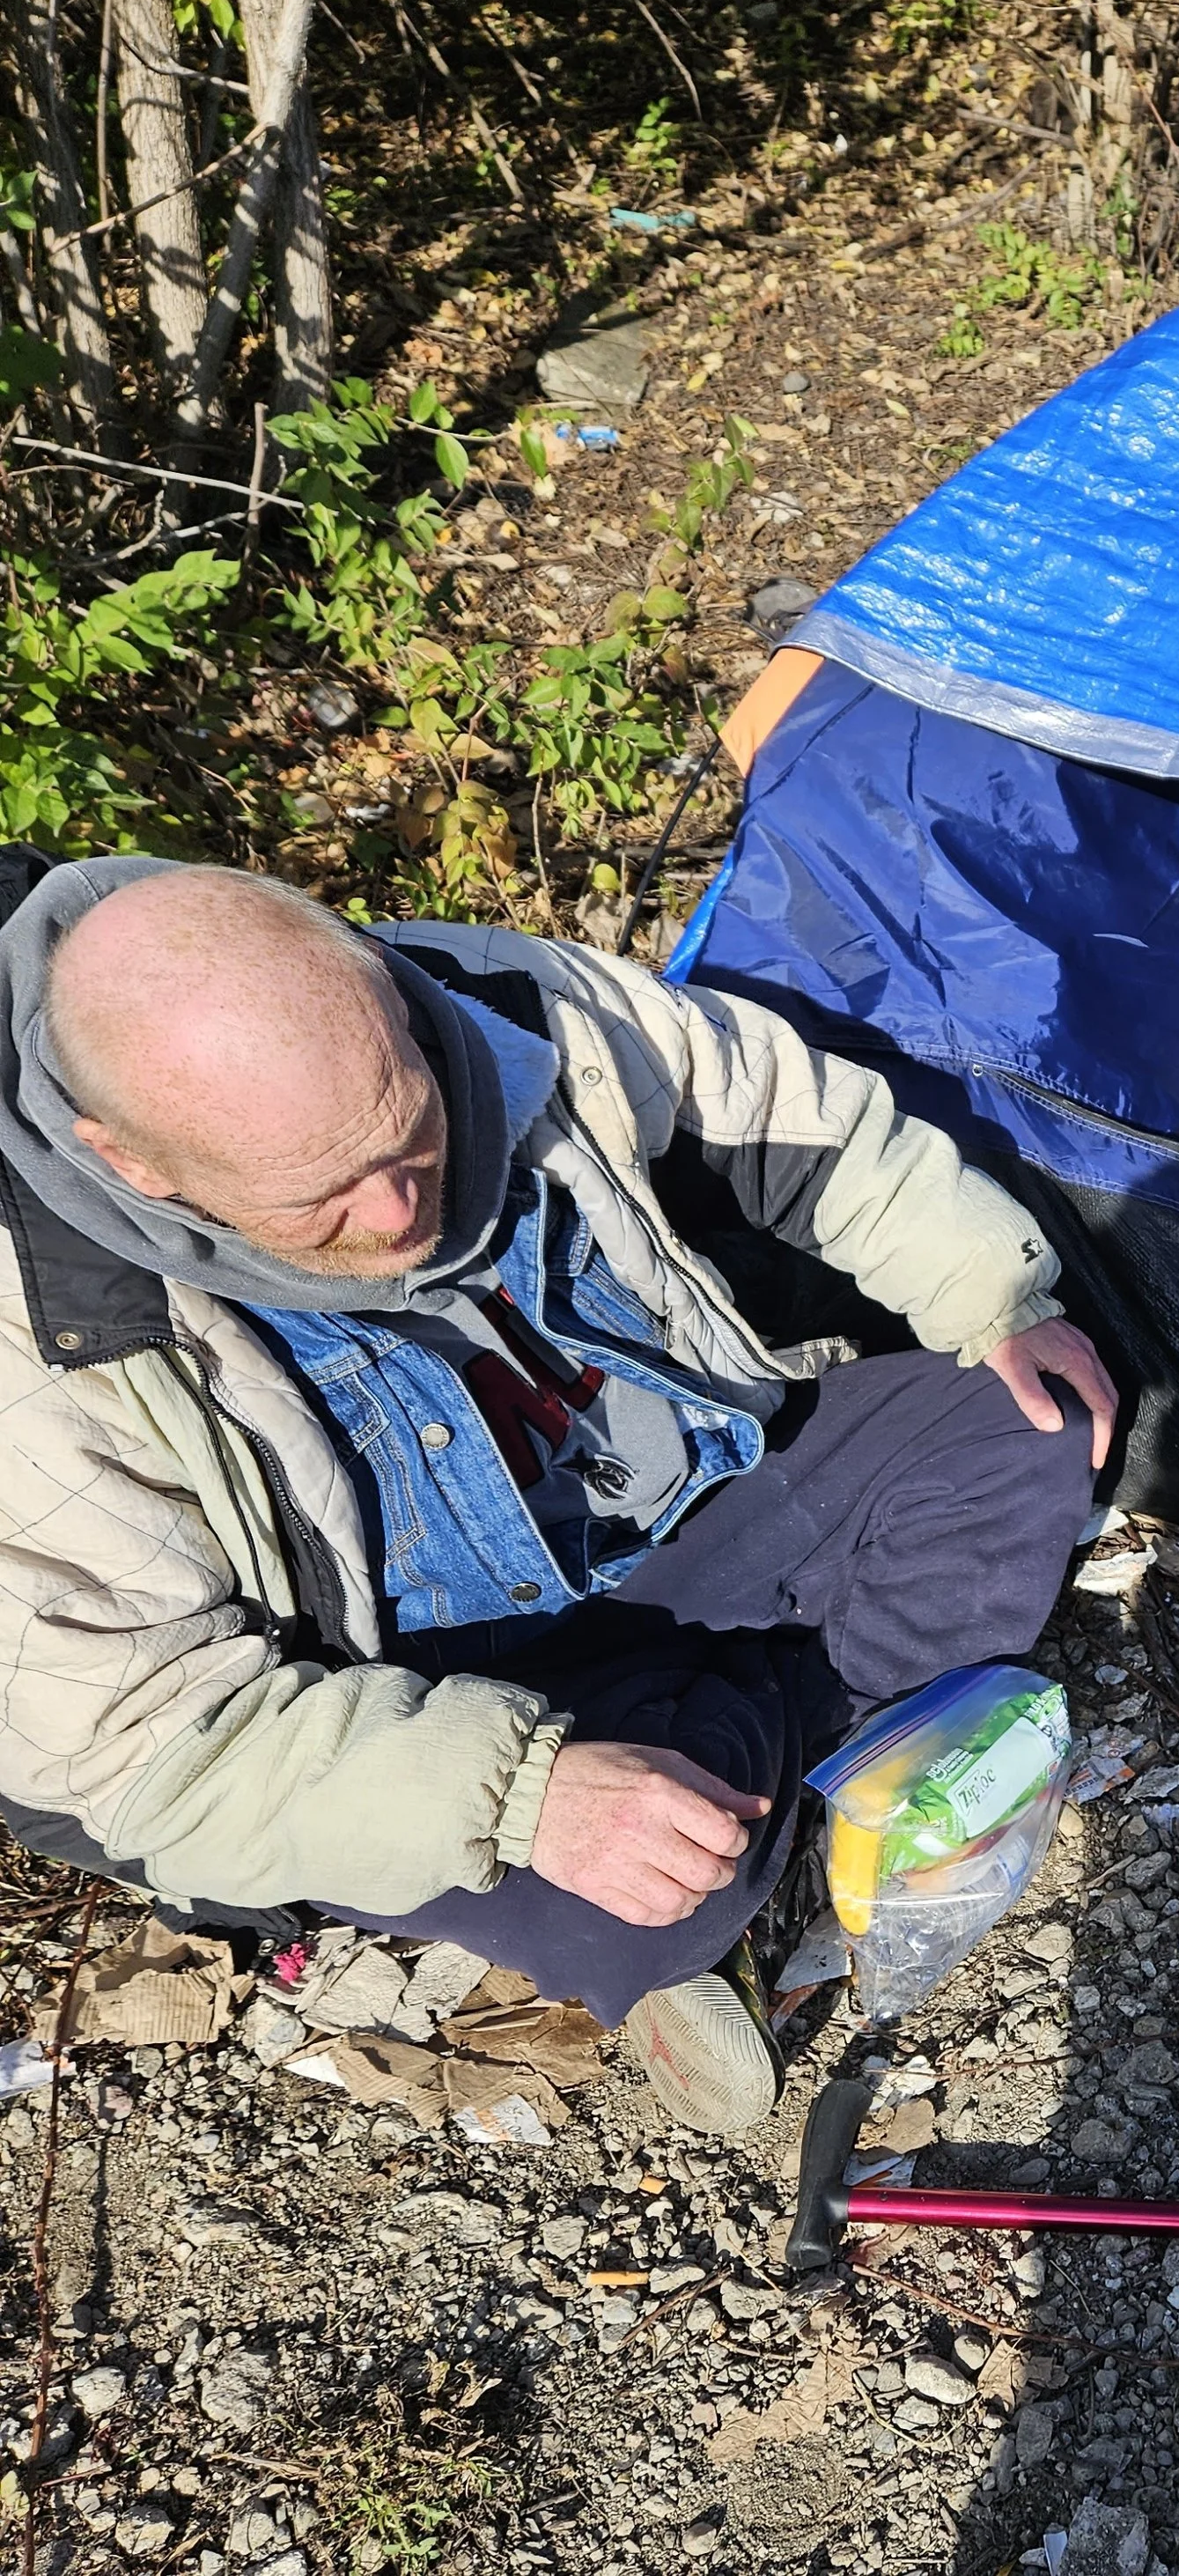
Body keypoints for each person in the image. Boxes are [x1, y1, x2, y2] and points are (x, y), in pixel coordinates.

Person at [0, 853, 1116, 2135]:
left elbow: (785, 1110)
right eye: (323, 1200)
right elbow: (148, 1754)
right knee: (637, 1896)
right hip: (402, 1699)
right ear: (132, 1163)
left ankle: (740, 1794)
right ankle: (757, 1811)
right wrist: (524, 1794)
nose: (404, 1209)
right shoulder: (42, 1343)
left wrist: (993, 1291)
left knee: (1024, 1421)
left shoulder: (484, 997)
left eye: (409, 1126)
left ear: (373, 984)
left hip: (676, 1521)